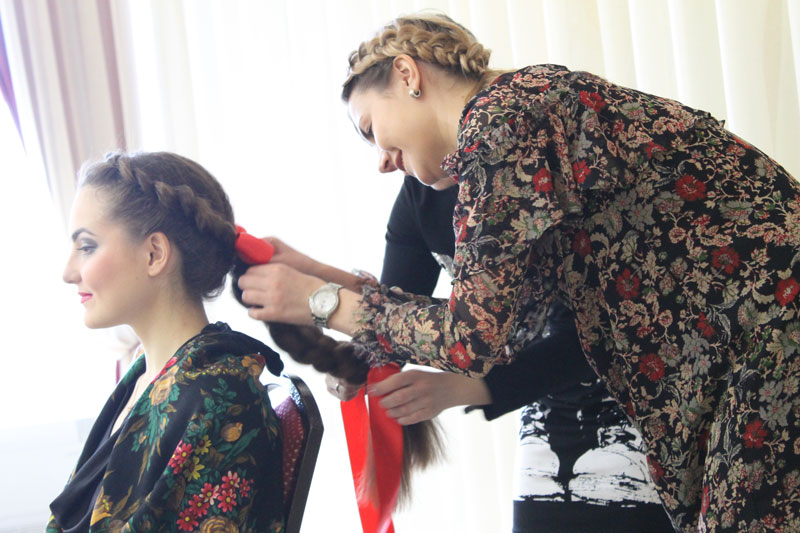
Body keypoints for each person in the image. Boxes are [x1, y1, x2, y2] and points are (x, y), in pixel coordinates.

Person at [237, 12, 800, 532]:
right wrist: (314, 277)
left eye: (369, 128)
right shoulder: (511, 124)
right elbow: (501, 318)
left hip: (773, 323)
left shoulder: (504, 123)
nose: (380, 159)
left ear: (408, 75)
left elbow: (472, 337)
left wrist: (320, 301)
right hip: (750, 336)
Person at [322, 174, 672, 531]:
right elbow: (397, 322)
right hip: (550, 410)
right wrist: (360, 360)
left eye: (379, 138)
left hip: (644, 402)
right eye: (369, 144)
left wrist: (466, 387)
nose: (382, 161)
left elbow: (589, 336)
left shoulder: (527, 178)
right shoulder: (419, 197)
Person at [49, 152, 284, 532]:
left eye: (87, 246)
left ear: (154, 254)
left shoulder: (219, 396)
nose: (67, 272)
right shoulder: (147, 376)